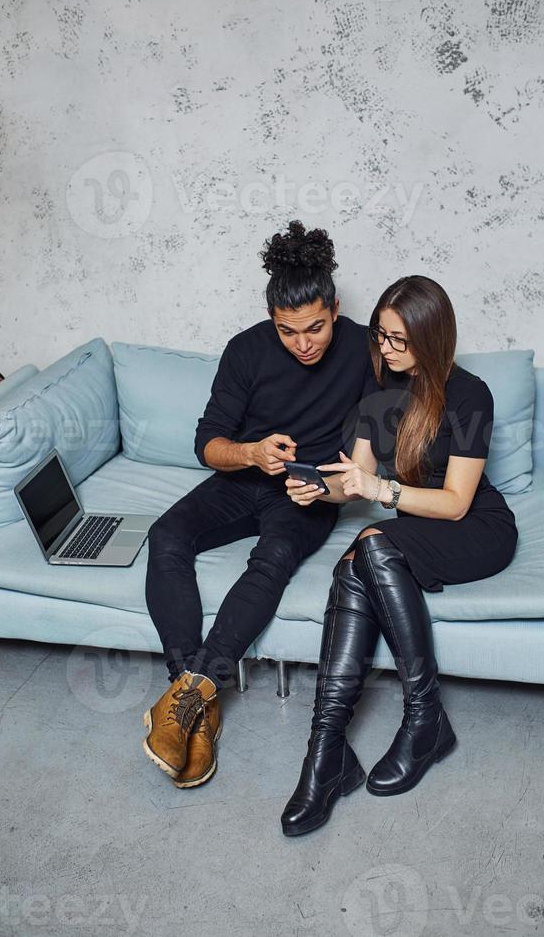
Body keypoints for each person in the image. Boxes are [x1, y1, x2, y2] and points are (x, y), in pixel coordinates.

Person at [281, 275, 519, 836]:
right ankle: (328, 749)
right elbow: (353, 481)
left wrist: (381, 492)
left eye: (398, 340)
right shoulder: (379, 395)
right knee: (358, 559)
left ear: (431, 339)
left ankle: (420, 721)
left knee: (372, 547)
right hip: (413, 530)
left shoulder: (470, 395)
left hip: (476, 528)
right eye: (380, 337)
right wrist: (320, 487)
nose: (384, 351)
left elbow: (458, 503)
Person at [142, 221, 373, 789]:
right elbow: (208, 443)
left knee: (271, 560)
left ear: (336, 309)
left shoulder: (368, 350)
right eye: (288, 330)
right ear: (272, 320)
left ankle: (185, 700)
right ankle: (194, 693)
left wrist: (325, 485)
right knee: (167, 535)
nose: (303, 343)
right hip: (249, 477)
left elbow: (408, 408)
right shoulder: (246, 350)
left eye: (316, 327)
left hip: (311, 492)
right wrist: (249, 452)